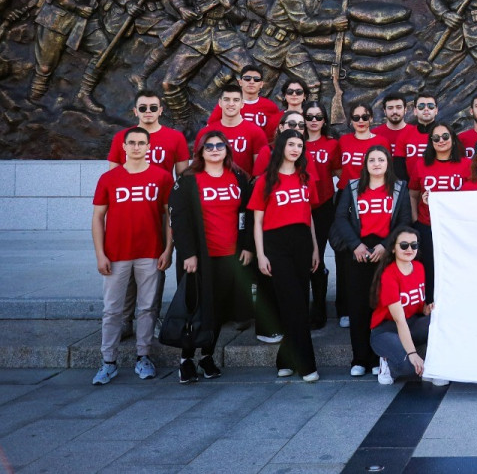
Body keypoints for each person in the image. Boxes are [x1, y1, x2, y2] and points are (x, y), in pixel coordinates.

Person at [91, 126, 175, 384]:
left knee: (148, 308)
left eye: (141, 143)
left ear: (149, 147)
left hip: (149, 252)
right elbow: (97, 218)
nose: (137, 147)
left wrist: (168, 249)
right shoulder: (109, 178)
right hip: (116, 254)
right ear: (123, 147)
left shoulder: (162, 177)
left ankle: (143, 357)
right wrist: (100, 255)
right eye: (132, 143)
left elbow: (169, 217)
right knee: (112, 310)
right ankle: (108, 362)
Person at [169, 130, 253, 383]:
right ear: (200, 152)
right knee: (195, 310)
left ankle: (206, 356)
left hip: (229, 256)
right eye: (209, 146)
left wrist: (247, 246)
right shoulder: (188, 180)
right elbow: (179, 221)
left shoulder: (238, 177)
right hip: (199, 258)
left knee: (217, 310)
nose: (215, 150)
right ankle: (186, 359)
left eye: (219, 146)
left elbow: (248, 215)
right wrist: (188, 254)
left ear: (227, 149)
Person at [331, 145, 411, 377]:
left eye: (381, 159)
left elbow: (404, 220)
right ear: (365, 164)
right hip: (358, 251)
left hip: (384, 252)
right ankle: (360, 358)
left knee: (382, 307)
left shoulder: (399, 188)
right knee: (357, 307)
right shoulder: (353, 187)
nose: (376, 164)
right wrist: (355, 245)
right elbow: (340, 218)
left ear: (388, 163)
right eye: (372, 160)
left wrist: (386, 246)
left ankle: (379, 357)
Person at [251, 130, 320, 382]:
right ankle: (307, 365)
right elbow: (257, 222)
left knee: (300, 301)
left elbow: (309, 215)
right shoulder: (265, 180)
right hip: (275, 244)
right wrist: (260, 254)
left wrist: (315, 248)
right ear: (281, 146)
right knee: (293, 303)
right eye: (291, 144)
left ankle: (284, 358)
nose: (295, 149)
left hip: (302, 243)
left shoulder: (305, 178)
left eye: (300, 145)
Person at [409, 123, 470, 300]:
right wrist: (415, 221)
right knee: (429, 268)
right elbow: (413, 194)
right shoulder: (421, 165)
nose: (441, 141)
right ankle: (429, 305)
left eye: (445, 136)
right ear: (431, 141)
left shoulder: (466, 164)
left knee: (455, 268)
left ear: (452, 138)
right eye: (436, 138)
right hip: (427, 226)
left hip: (455, 228)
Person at [334, 101, 380, 328]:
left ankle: (372, 305)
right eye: (356, 117)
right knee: (346, 253)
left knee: (369, 251)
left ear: (371, 118)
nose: (360, 121)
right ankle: (345, 308)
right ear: (350, 121)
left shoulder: (380, 142)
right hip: (346, 196)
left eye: (365, 117)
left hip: (372, 197)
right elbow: (336, 167)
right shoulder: (343, 141)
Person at [370, 226, 432, 385]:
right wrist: (412, 353)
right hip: (386, 331)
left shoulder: (419, 268)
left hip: (411, 324)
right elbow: (399, 320)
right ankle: (387, 362)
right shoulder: (389, 275)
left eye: (414, 245)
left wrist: (426, 309)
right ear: (393, 249)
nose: (409, 249)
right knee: (409, 368)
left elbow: (416, 305)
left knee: (438, 320)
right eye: (404, 245)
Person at [302, 101, 339, 329]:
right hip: (297, 207)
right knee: (303, 257)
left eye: (318, 117)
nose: (314, 121)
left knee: (318, 256)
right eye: (309, 116)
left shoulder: (332, 145)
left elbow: (338, 172)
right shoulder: (296, 143)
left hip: (323, 206)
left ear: (324, 120)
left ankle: (319, 308)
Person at [195, 83, 268, 174]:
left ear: (242, 104)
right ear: (220, 103)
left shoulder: (256, 132)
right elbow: (197, 166)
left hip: (244, 186)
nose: (231, 104)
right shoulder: (205, 132)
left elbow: (260, 172)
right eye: (226, 99)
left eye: (236, 100)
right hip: (210, 185)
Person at [206, 65, 282, 133]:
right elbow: (209, 128)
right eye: (247, 78)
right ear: (240, 82)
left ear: (261, 84)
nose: (251, 82)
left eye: (256, 79)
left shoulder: (270, 107)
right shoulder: (228, 105)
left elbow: (275, 134)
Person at [372, 92, 409, 167]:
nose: (394, 111)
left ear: (405, 109)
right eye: (390, 108)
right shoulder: (374, 134)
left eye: (398, 107)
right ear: (384, 111)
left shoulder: (414, 133)